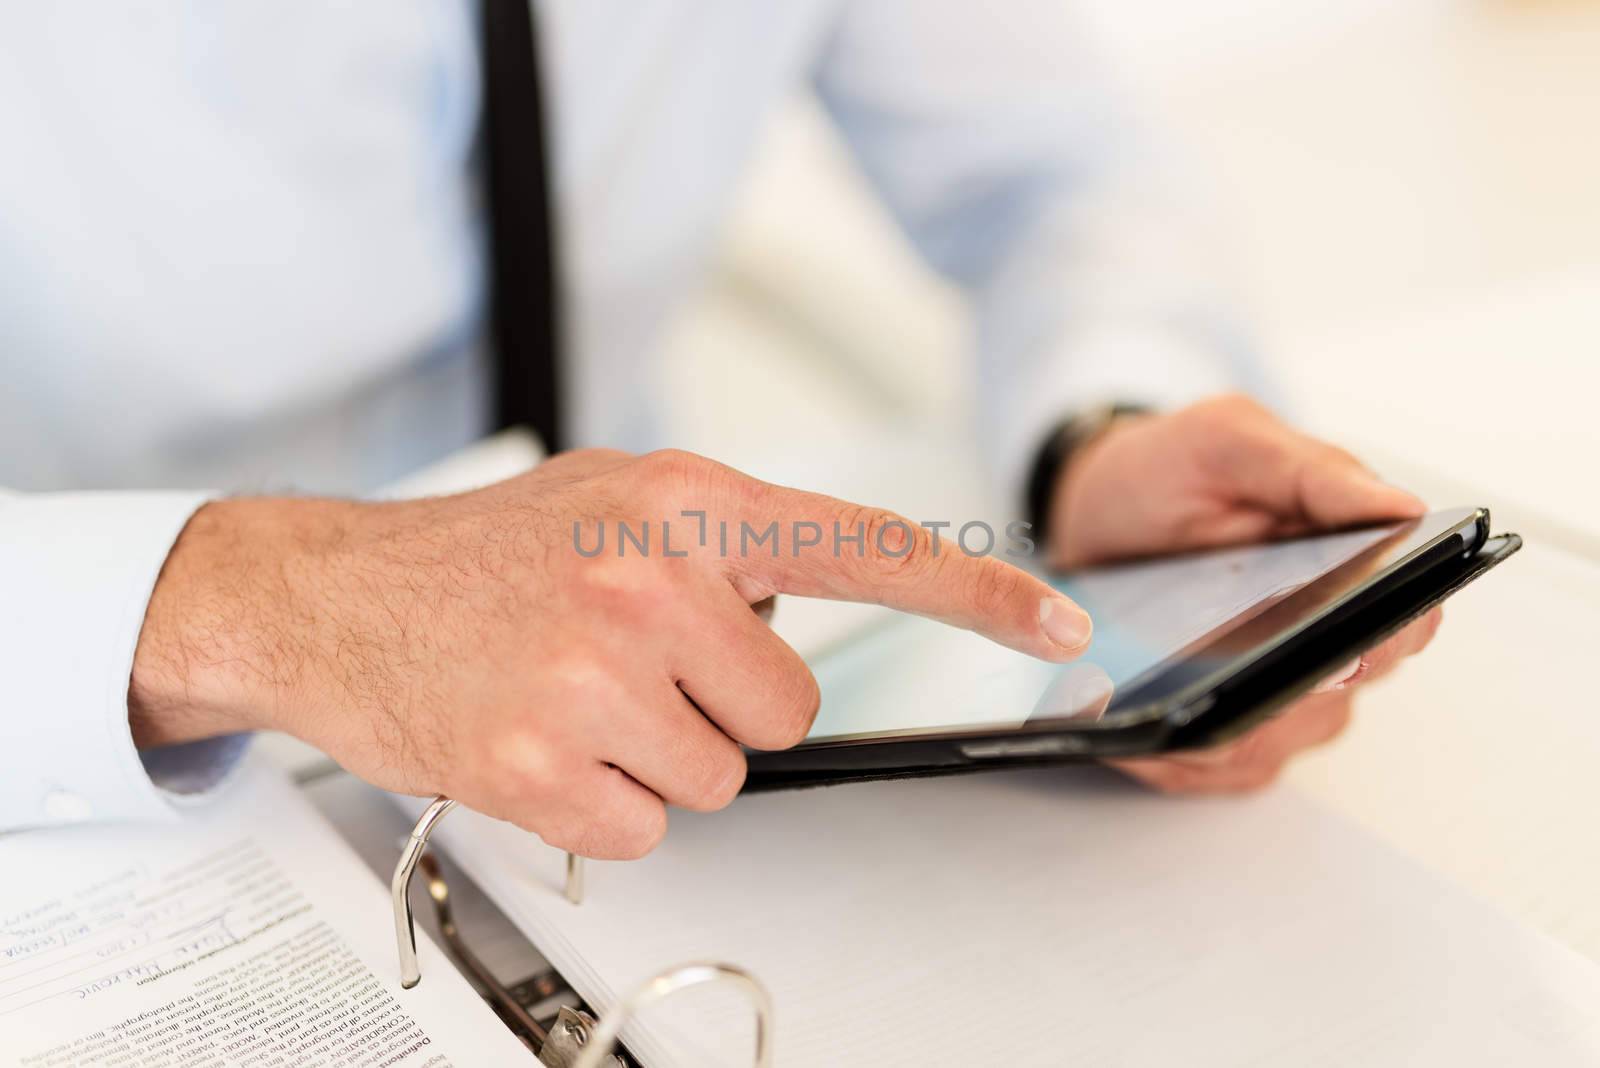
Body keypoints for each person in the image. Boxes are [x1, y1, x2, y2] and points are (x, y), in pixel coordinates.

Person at [0, 1, 1438, 857]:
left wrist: (1099, 429)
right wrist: (269, 605)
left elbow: (1052, 173)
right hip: (94, 756)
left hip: (659, 758)